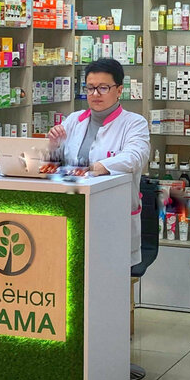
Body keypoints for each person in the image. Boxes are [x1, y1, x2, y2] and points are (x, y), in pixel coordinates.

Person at [48, 58, 150, 265]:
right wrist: (53, 144)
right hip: (71, 211)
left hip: (112, 217)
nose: (95, 94)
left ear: (119, 90)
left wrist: (97, 167)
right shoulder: (74, 119)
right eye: (90, 88)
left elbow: (134, 157)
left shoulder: (134, 123)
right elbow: (56, 164)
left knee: (108, 273)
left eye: (103, 88)